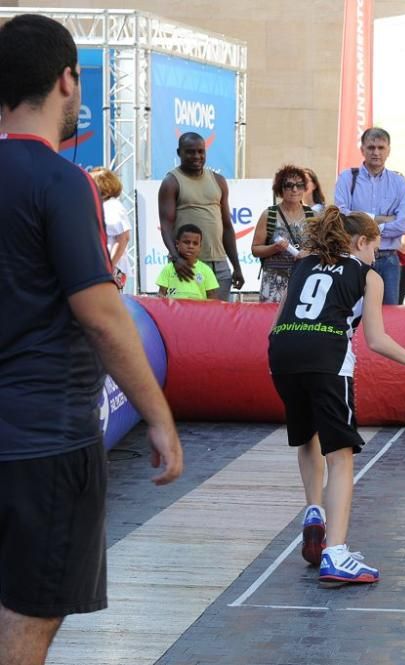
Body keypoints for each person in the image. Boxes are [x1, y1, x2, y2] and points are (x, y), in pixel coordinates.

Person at [0, 15, 183, 665]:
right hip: (44, 440)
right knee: (27, 618)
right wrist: (159, 416)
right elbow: (103, 314)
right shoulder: (60, 181)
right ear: (66, 80)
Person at [268, 207, 405, 585]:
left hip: (282, 354)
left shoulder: (304, 264)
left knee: (306, 437)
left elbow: (276, 322)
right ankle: (336, 553)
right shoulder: (367, 275)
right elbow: (376, 339)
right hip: (326, 356)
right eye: (375, 246)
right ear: (360, 242)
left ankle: (314, 512)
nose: (377, 254)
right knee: (341, 457)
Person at [157, 132, 244, 302]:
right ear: (179, 153)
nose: (196, 156)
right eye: (190, 152)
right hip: (187, 264)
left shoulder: (218, 180)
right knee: (187, 321)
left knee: (220, 321)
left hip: (219, 265)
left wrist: (236, 266)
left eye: (200, 151)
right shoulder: (171, 182)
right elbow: (166, 225)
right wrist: (176, 259)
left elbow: (227, 226)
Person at [334, 127, 405, 305]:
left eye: (381, 148)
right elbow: (342, 217)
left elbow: (403, 225)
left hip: (389, 260)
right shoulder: (347, 178)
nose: (376, 152)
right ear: (362, 150)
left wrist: (364, 224)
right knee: (351, 310)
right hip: (355, 257)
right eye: (371, 147)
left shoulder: (398, 182)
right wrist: (381, 218)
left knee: (389, 316)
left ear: (388, 150)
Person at [251, 165, 315, 303]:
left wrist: (309, 252)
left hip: (304, 279)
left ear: (305, 188)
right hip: (274, 281)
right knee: (272, 321)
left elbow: (323, 248)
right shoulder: (269, 215)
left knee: (300, 323)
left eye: (299, 185)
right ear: (280, 188)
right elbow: (255, 249)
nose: (294, 189)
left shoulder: (313, 216)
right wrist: (273, 248)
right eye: (289, 185)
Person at [89, 166, 130, 291]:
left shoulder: (112, 207)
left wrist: (109, 266)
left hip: (110, 269)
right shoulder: (103, 206)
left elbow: (123, 237)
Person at [156, 224, 219, 300]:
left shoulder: (206, 270)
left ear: (200, 247)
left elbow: (212, 298)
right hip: (175, 311)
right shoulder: (168, 269)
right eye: (186, 242)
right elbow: (161, 294)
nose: (191, 246)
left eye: (195, 243)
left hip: (198, 311)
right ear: (177, 244)